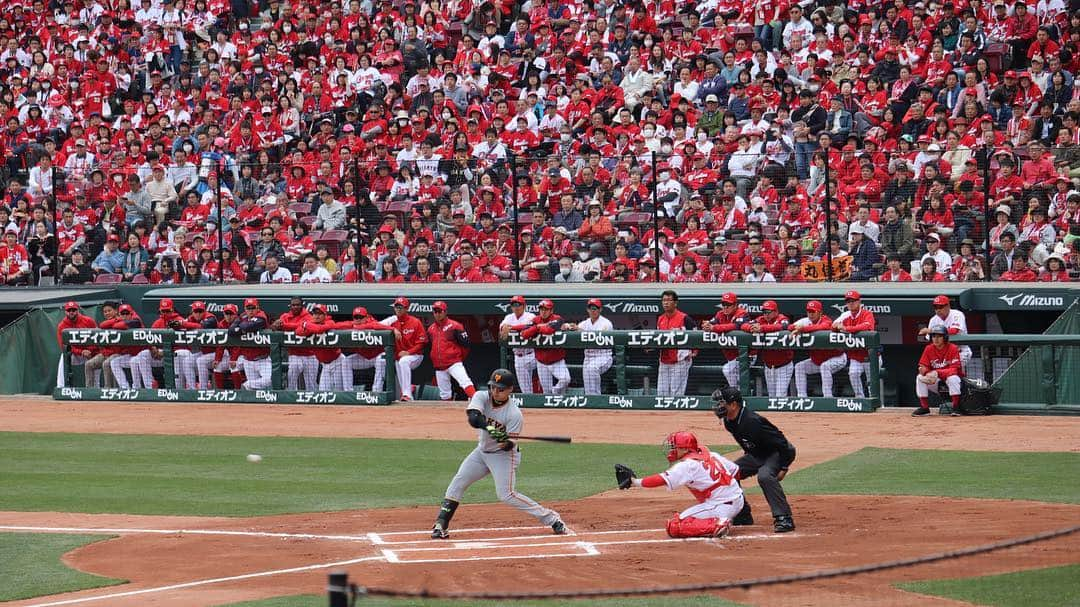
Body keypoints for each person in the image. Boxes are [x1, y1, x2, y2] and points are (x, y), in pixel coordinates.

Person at [430, 369, 567, 539]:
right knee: (458, 482)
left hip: (503, 457)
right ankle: (441, 524)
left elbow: (507, 446)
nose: (495, 391)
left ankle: (552, 519)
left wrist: (504, 440)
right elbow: (474, 418)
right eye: (493, 387)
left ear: (510, 390)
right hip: (481, 452)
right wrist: (491, 429)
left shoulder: (514, 414)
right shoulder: (482, 396)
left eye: (500, 389)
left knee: (506, 495)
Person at [616, 431, 744, 538]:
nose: (672, 449)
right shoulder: (711, 455)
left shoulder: (688, 465)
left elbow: (661, 479)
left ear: (684, 449)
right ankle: (723, 516)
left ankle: (718, 524)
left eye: (674, 446)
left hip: (721, 506)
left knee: (675, 526)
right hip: (738, 499)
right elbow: (736, 471)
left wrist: (634, 482)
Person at [712, 387, 797, 533]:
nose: (719, 406)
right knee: (729, 472)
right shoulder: (729, 421)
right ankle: (742, 514)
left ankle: (784, 518)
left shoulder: (752, 421)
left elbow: (782, 444)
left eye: (722, 403)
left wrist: (784, 467)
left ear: (733, 405)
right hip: (757, 454)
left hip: (777, 452)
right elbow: (747, 442)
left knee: (765, 476)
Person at [513, 299, 571, 394]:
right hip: (542, 362)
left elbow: (549, 330)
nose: (543, 312)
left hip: (557, 361)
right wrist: (537, 327)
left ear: (551, 310)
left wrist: (537, 328)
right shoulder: (536, 320)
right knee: (546, 392)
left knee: (566, 379)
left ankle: (555, 391)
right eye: (541, 309)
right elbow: (524, 334)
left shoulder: (557, 318)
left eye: (546, 309)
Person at [791, 300, 846, 397]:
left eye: (813, 311)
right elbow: (790, 326)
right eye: (809, 311)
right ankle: (802, 397)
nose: (810, 314)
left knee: (825, 366)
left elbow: (823, 327)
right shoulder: (805, 321)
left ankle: (827, 397)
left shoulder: (827, 320)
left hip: (837, 358)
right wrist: (797, 328)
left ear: (820, 313)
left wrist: (802, 329)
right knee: (799, 367)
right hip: (817, 361)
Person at [562, 298, 614, 395]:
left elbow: (597, 339)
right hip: (588, 357)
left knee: (592, 368)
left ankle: (597, 399)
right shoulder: (585, 323)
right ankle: (591, 402)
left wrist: (580, 330)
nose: (593, 311)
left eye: (595, 308)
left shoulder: (606, 323)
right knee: (587, 380)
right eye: (591, 308)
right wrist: (568, 326)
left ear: (600, 309)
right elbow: (574, 328)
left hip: (603, 356)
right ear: (587, 310)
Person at [741, 300, 792, 396]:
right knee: (771, 397)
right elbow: (743, 325)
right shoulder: (760, 319)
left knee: (780, 397)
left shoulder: (782, 318)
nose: (766, 314)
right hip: (768, 366)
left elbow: (784, 326)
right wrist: (751, 328)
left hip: (783, 366)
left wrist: (762, 328)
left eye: (769, 312)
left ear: (776, 312)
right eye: (764, 312)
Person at [335, 306, 392, 392]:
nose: (358, 319)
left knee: (381, 361)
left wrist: (394, 329)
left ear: (367, 317)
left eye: (361, 317)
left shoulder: (373, 323)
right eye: (356, 317)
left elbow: (377, 325)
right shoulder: (351, 325)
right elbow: (336, 325)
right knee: (346, 362)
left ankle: (377, 391)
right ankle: (348, 391)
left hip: (377, 355)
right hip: (363, 358)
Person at [427, 300, 476, 400]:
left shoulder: (455, 326)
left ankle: (478, 403)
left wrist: (457, 357)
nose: (437, 314)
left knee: (465, 382)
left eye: (440, 311)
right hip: (439, 366)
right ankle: (448, 414)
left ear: (445, 312)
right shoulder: (431, 329)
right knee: (445, 394)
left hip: (453, 363)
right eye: (435, 311)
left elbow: (466, 345)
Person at [832, 290, 876, 398]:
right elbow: (833, 326)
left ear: (859, 301)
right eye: (848, 301)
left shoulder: (867, 313)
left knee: (872, 382)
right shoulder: (845, 315)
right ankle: (859, 398)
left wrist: (846, 328)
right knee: (853, 374)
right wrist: (838, 327)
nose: (851, 303)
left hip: (870, 355)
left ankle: (876, 402)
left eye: (853, 301)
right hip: (855, 355)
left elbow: (866, 326)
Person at [912, 326, 964, 417]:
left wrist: (937, 372)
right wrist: (925, 372)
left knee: (953, 378)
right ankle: (925, 408)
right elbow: (923, 366)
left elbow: (955, 369)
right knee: (919, 378)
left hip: (954, 382)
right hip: (937, 382)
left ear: (945, 337)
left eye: (939, 336)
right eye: (933, 336)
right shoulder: (929, 348)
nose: (936, 339)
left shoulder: (953, 348)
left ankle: (956, 407)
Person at [296, 304, 350, 390]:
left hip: (338, 361)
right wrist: (307, 325)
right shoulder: (310, 323)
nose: (316, 316)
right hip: (325, 365)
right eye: (315, 313)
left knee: (340, 392)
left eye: (320, 313)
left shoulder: (330, 322)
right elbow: (298, 331)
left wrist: (305, 324)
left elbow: (319, 330)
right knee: (322, 392)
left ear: (325, 315)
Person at [702, 291, 749, 389]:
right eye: (723, 304)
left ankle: (736, 392)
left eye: (728, 305)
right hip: (731, 355)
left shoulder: (742, 313)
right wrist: (706, 325)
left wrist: (714, 328)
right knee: (733, 374)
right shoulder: (720, 314)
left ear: (735, 305)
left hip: (746, 355)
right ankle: (737, 393)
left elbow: (736, 326)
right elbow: (711, 323)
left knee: (727, 370)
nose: (725, 307)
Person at [384, 296, 427, 401]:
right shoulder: (392, 321)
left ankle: (407, 394)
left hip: (416, 356)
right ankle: (407, 393)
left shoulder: (415, 322)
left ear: (406, 308)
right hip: (400, 357)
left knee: (403, 361)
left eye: (401, 307)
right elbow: (376, 325)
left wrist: (409, 352)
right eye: (396, 307)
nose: (398, 309)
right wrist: (392, 328)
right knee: (399, 362)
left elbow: (422, 343)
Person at [656, 290, 698, 396]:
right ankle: (663, 413)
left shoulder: (685, 318)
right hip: (664, 360)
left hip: (680, 360)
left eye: (669, 300)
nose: (666, 303)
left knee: (676, 394)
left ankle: (677, 413)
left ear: (675, 303)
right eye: (664, 300)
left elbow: (696, 334)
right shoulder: (660, 319)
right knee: (661, 393)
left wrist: (694, 351)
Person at [272, 297, 317, 390]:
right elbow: (274, 327)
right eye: (293, 305)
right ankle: (291, 402)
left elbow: (303, 326)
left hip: (310, 355)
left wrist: (284, 326)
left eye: (297, 305)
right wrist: (276, 325)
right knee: (291, 381)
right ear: (290, 306)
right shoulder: (285, 316)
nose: (295, 307)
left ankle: (313, 404)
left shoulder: (309, 316)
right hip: (294, 354)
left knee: (311, 385)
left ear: (302, 305)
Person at [918, 295, 972, 371]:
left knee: (952, 375)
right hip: (942, 356)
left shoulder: (957, 314)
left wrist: (931, 330)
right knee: (932, 376)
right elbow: (930, 340)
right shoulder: (933, 320)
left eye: (940, 307)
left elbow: (954, 331)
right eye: (936, 307)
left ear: (948, 306)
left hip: (960, 352)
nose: (938, 310)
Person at [229, 298, 271, 390]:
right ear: (245, 308)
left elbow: (249, 326)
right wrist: (243, 328)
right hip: (247, 360)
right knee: (253, 390)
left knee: (268, 380)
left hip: (262, 359)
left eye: (253, 308)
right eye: (248, 308)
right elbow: (231, 330)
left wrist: (241, 328)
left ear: (257, 308)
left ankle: (246, 385)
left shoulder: (261, 316)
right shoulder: (243, 316)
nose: (251, 310)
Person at [499, 295, 537, 394]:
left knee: (545, 371)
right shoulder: (509, 317)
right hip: (518, 355)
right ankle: (529, 403)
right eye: (513, 305)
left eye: (518, 305)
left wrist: (512, 328)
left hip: (532, 355)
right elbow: (502, 327)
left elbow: (529, 326)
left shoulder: (530, 316)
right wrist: (504, 327)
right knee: (525, 388)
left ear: (524, 306)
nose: (516, 307)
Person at [56, 301, 97, 388]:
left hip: (90, 353)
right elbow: (63, 346)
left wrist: (90, 350)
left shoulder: (88, 321)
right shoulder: (62, 326)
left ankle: (95, 387)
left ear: (77, 310)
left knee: (96, 357)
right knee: (64, 357)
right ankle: (61, 387)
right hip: (75, 354)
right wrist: (81, 352)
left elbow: (97, 338)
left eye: (73, 310)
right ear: (65, 312)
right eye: (69, 310)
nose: (71, 312)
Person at [109, 304, 148, 389]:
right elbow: (102, 325)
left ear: (131, 313)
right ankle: (124, 388)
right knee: (114, 362)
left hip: (144, 355)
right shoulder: (119, 320)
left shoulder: (136, 321)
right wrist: (117, 319)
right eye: (123, 314)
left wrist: (117, 321)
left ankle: (137, 388)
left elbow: (118, 326)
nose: (125, 316)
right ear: (119, 315)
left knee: (133, 361)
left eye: (127, 313)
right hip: (133, 355)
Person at [83, 301, 120, 389]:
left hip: (118, 354)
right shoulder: (103, 325)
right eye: (105, 311)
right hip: (105, 354)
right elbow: (97, 341)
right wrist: (89, 350)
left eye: (109, 311)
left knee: (106, 364)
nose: (107, 313)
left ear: (116, 311)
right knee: (89, 364)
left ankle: (109, 390)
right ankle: (90, 390)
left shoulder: (120, 322)